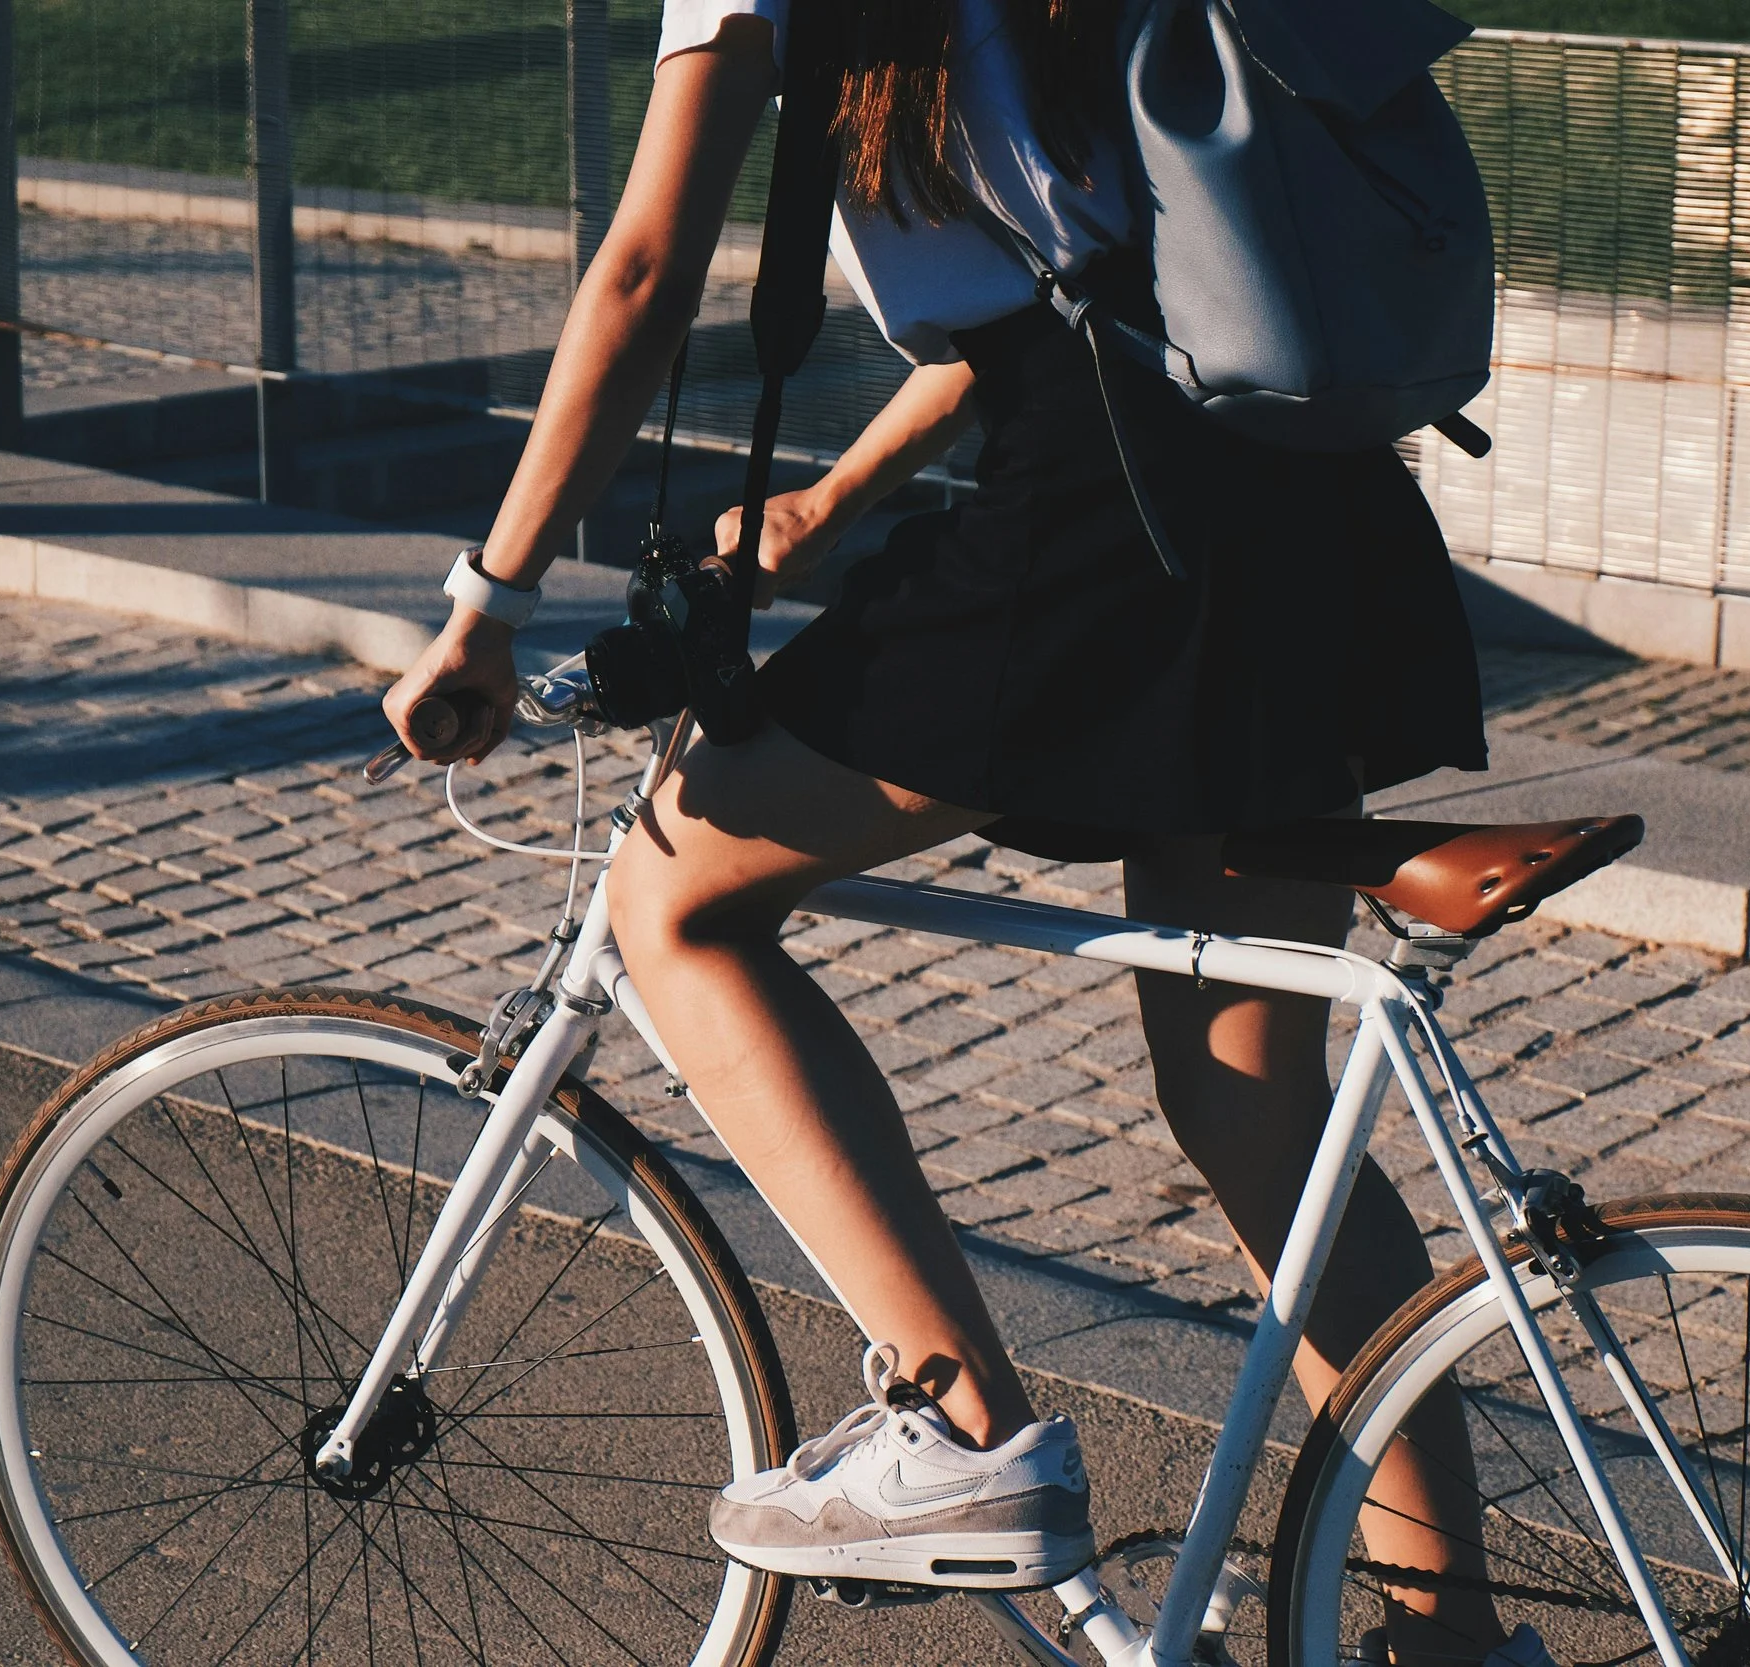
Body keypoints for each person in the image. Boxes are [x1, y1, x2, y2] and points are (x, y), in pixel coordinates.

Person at [385, 3, 1547, 1662]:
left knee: (673, 897)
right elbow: (1086, 272)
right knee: (1258, 1107)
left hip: (1107, 519)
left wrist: (485, 605)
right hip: (1301, 493)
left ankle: (961, 1429)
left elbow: (642, 272)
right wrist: (827, 502)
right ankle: (1449, 1640)